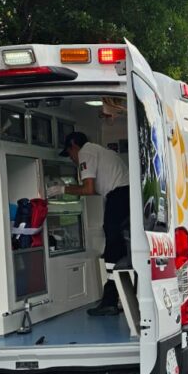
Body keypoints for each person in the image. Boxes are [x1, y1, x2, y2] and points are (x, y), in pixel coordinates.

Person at [59, 131, 130, 316]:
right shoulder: (102, 151)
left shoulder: (86, 152)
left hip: (119, 197)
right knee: (121, 249)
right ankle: (119, 297)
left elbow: (88, 188)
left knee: (112, 251)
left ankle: (110, 301)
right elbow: (99, 188)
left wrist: (62, 189)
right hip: (126, 196)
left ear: (74, 145)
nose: (72, 159)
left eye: (69, 154)